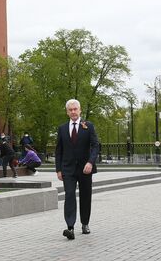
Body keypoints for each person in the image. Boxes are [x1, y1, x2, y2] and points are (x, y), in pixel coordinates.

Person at [56, 99, 100, 240]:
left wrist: (90, 162)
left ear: (80, 110)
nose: (73, 112)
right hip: (68, 169)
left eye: (75, 109)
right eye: (70, 109)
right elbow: (59, 150)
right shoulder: (62, 128)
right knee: (69, 195)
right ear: (67, 112)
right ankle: (70, 227)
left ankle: (85, 223)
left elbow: (95, 146)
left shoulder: (88, 126)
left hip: (85, 169)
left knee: (85, 196)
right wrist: (58, 169)